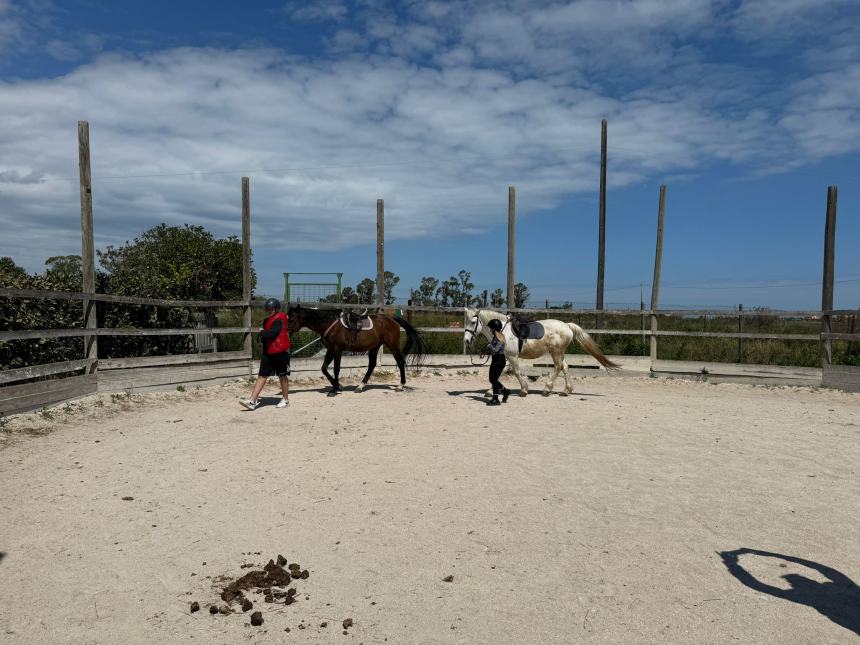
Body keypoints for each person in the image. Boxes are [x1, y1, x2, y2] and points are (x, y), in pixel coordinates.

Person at [240, 298, 291, 410]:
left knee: (282, 376)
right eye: (268, 309)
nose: (269, 310)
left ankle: (285, 399)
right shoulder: (267, 320)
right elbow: (267, 334)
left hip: (280, 353)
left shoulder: (279, 319)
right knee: (262, 375)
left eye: (271, 308)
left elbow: (271, 334)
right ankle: (252, 400)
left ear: (277, 308)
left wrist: (262, 332)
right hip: (268, 352)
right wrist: (263, 333)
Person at [485, 318, 511, 406]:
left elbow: (496, 350)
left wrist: (490, 346)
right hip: (495, 359)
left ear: (494, 328)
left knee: (494, 380)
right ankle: (505, 391)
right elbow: (493, 351)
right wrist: (486, 351)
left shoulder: (499, 338)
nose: (490, 330)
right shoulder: (496, 337)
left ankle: (496, 399)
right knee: (491, 379)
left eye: (491, 328)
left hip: (499, 360)